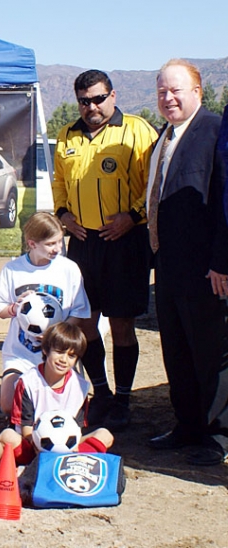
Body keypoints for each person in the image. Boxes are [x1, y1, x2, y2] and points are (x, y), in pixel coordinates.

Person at [51, 69, 158, 430]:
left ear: (112, 95)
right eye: (84, 101)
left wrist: (132, 217)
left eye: (98, 99)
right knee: (84, 323)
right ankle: (101, 393)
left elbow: (153, 185)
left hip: (125, 241)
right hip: (84, 243)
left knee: (122, 323)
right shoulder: (67, 135)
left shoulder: (138, 130)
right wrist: (63, 215)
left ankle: (124, 399)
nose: (91, 107)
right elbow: (60, 184)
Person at [146, 59, 228, 466]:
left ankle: (218, 435)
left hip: (206, 269)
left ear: (198, 91)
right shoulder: (164, 137)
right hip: (169, 266)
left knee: (212, 352)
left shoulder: (213, 131)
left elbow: (224, 200)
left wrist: (221, 261)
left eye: (176, 90)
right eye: (162, 91)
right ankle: (187, 425)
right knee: (176, 350)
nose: (168, 97)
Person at [0, 212, 91, 415]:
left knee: (58, 412)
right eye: (50, 244)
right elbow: (1, 310)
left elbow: (79, 313)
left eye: (59, 242)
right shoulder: (13, 269)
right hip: (20, 354)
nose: (57, 249)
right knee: (9, 407)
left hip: (56, 356)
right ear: (32, 243)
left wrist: (55, 335)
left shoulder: (69, 269)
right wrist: (15, 307)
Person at [0, 322, 114, 465]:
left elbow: (77, 428)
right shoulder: (28, 382)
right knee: (7, 436)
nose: (64, 360)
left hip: (67, 446)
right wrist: (40, 444)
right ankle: (37, 463)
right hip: (34, 444)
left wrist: (68, 445)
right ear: (46, 350)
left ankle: (71, 460)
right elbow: (26, 427)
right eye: (59, 352)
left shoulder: (80, 386)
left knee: (105, 435)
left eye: (71, 356)